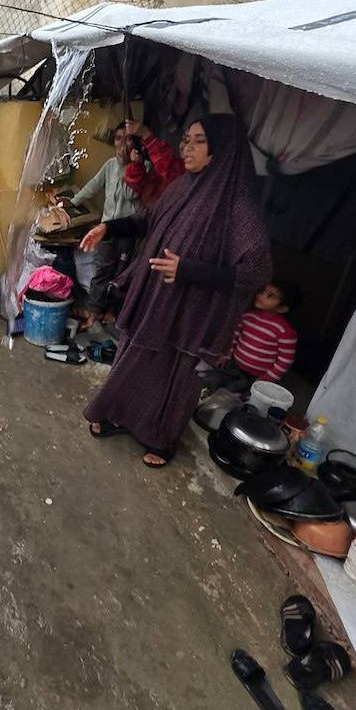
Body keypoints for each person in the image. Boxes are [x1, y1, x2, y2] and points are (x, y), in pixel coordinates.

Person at [78, 114, 272, 467]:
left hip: (193, 313)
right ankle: (118, 415)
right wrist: (108, 227)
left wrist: (189, 271)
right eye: (186, 139)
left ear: (221, 149)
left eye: (199, 141)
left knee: (175, 374)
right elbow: (148, 219)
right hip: (154, 297)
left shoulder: (238, 207)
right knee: (134, 359)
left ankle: (161, 439)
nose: (187, 147)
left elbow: (257, 271)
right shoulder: (183, 185)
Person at [59, 122, 141, 327]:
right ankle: (94, 311)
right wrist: (73, 202)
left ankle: (112, 311)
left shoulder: (142, 168)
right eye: (118, 138)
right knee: (102, 270)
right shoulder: (110, 165)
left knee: (122, 272)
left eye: (128, 139)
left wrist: (133, 166)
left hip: (128, 230)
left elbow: (130, 194)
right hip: (107, 229)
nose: (122, 144)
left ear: (136, 143)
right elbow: (93, 185)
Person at [203, 281, 299, 393]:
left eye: (270, 295)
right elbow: (235, 338)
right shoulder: (248, 316)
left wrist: (267, 378)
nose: (260, 296)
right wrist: (227, 355)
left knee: (234, 394)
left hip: (256, 377)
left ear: (282, 308)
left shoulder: (285, 331)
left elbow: (285, 360)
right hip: (233, 366)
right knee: (212, 382)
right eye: (262, 291)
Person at [122, 119, 186, 205]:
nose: (186, 146)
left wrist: (146, 135)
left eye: (198, 140)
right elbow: (143, 188)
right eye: (184, 139)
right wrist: (136, 165)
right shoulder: (154, 168)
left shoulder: (185, 174)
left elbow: (169, 171)